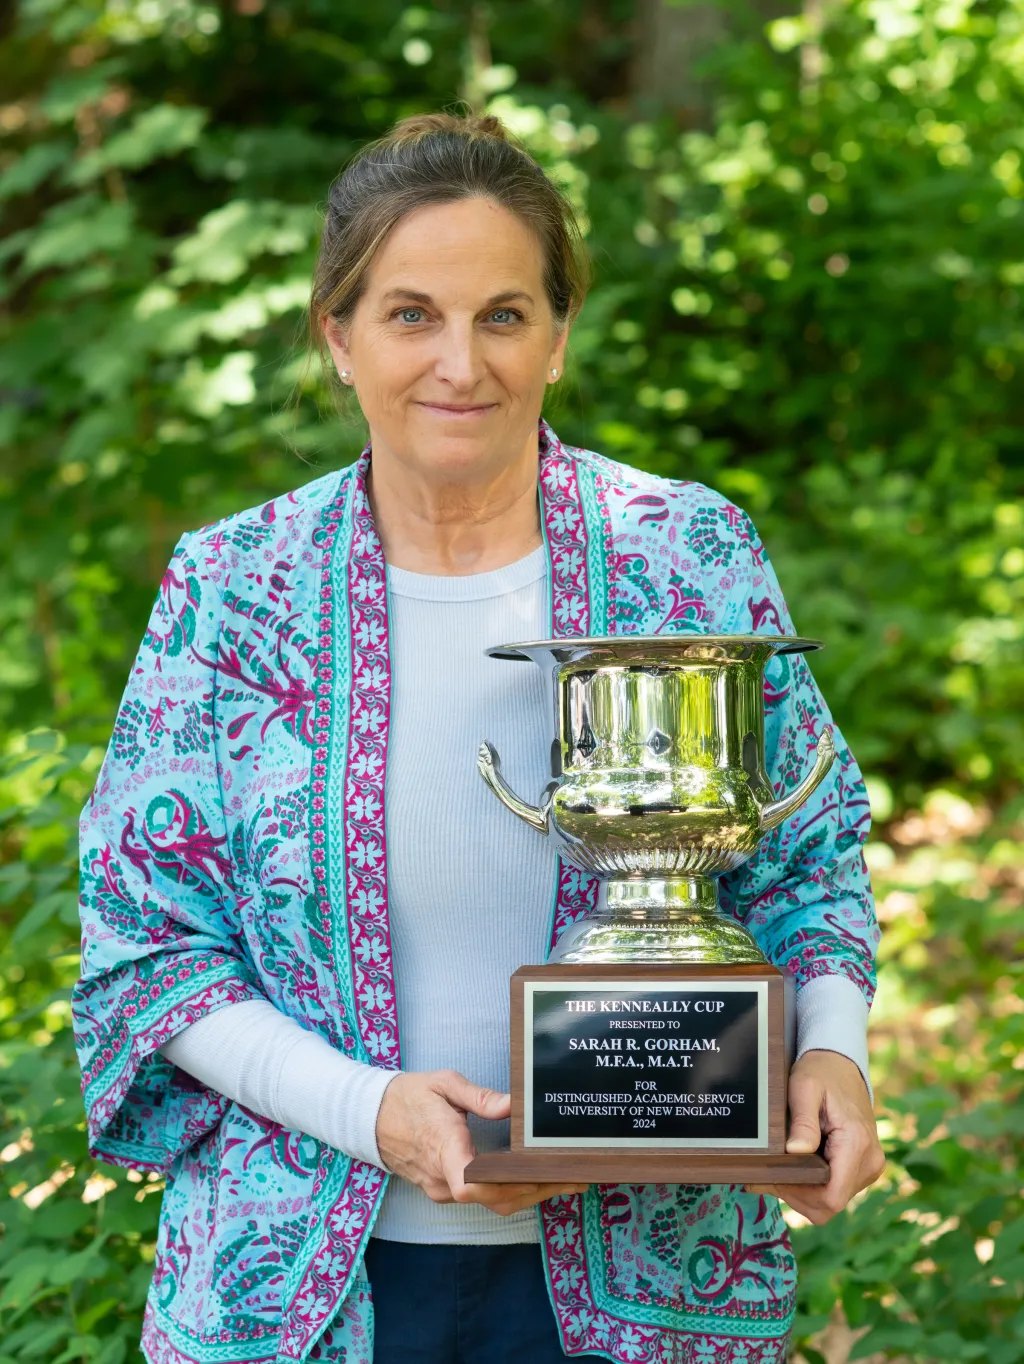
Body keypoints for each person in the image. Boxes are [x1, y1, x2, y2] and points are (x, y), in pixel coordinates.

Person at [73, 112, 884, 1364]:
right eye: (410, 314)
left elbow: (808, 860)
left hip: (655, 1278)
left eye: (504, 314)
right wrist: (370, 1112)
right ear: (335, 337)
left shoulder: (687, 550)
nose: (461, 361)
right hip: (297, 1288)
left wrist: (831, 1051)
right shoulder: (233, 587)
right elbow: (151, 946)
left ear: (558, 335)